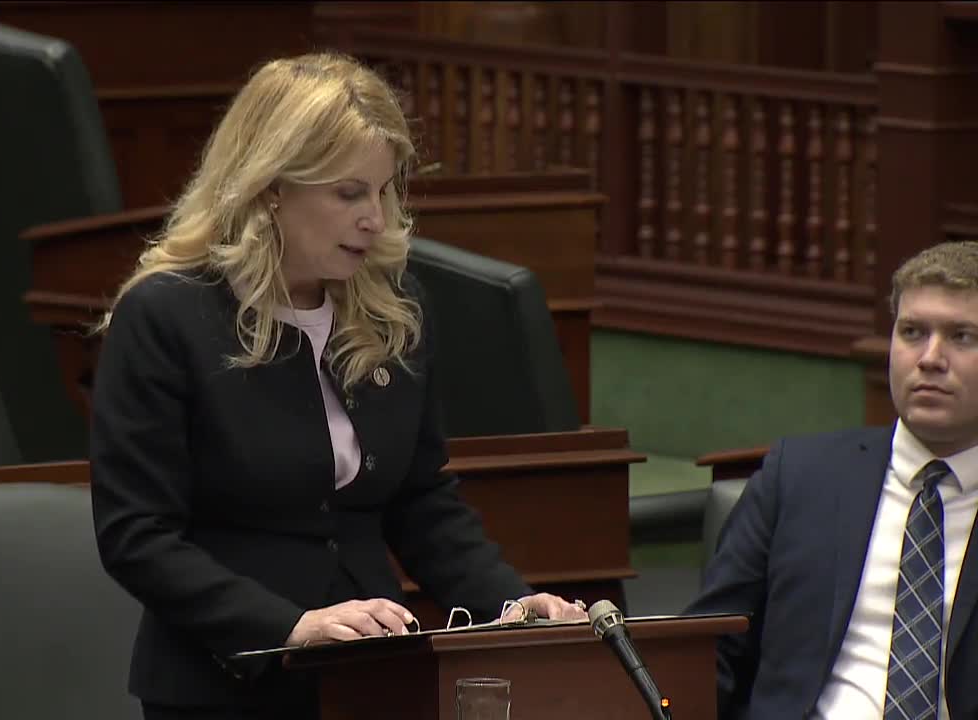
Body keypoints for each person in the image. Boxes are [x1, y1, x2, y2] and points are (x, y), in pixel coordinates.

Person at [88, 52, 587, 720]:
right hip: (223, 687)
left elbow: (422, 501)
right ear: (270, 188)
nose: (375, 220)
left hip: (373, 675)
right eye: (349, 193)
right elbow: (137, 536)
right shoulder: (166, 314)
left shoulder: (392, 307)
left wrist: (508, 601)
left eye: (383, 191)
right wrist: (290, 627)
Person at [687, 240, 978, 719]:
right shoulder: (799, 478)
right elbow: (704, 653)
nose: (930, 358)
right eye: (912, 332)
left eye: (961, 337)